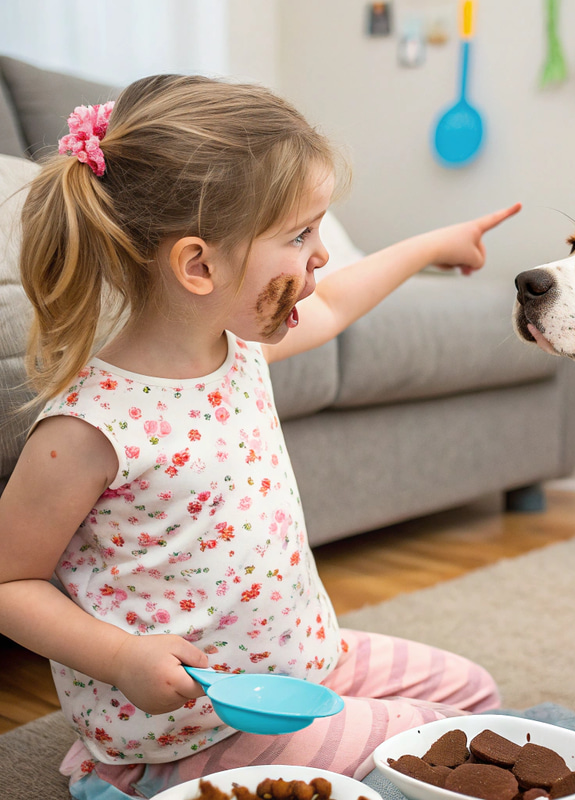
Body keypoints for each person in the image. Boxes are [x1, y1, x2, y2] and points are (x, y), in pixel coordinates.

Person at [0, 74, 521, 798]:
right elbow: (9, 581)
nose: (320, 257)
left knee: (475, 697)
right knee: (442, 754)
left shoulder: (239, 351)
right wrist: (121, 658)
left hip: (305, 664)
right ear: (199, 264)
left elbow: (335, 303)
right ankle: (137, 781)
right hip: (194, 720)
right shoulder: (89, 428)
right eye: (300, 235)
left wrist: (435, 243)